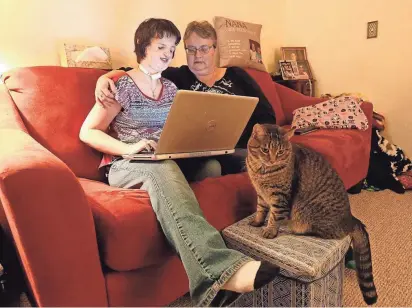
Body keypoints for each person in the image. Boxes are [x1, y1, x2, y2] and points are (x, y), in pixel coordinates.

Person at [80, 18, 279, 307]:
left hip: (162, 157)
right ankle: (218, 269)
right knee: (162, 168)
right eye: (160, 46)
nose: (166, 54)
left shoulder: (172, 89)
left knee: (209, 167)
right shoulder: (120, 86)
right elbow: (87, 131)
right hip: (126, 161)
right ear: (142, 47)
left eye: (171, 49)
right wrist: (128, 147)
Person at [96, 21, 276, 175]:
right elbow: (139, 71)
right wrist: (105, 78)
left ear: (215, 49)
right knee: (212, 167)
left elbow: (267, 116)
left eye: (204, 48)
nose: (198, 55)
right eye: (191, 49)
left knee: (270, 164)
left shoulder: (237, 75)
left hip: (236, 147)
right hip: (194, 152)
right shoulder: (177, 76)